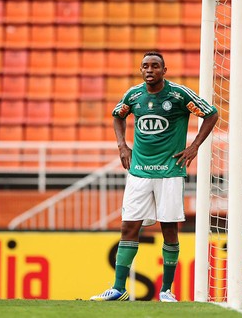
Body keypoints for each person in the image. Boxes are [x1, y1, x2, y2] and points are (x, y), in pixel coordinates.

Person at [90, 51, 219, 302]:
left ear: (164, 70)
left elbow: (211, 113)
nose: (150, 70)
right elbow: (117, 115)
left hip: (169, 172)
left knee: (169, 228)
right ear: (141, 70)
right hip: (139, 172)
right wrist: (122, 145)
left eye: (155, 66)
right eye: (145, 66)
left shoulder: (179, 95)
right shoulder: (134, 95)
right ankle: (118, 289)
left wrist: (194, 146)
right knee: (129, 226)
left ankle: (166, 290)